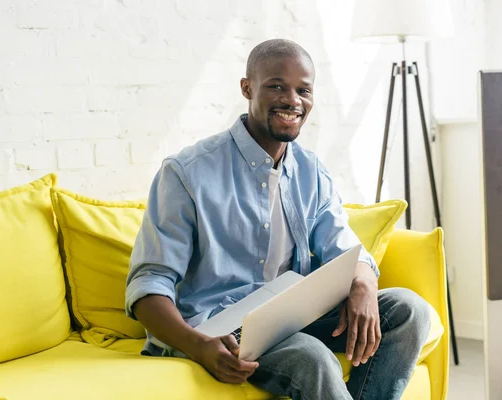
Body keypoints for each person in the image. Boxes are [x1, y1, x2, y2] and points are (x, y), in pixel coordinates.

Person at [126, 38, 431, 400]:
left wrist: (363, 281)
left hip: (290, 314)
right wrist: (198, 346)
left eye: (304, 90)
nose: (293, 100)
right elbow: (148, 286)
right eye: (276, 86)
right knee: (312, 357)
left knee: (409, 311)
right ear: (247, 88)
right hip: (220, 326)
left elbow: (344, 249)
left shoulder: (310, 171)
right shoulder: (187, 172)